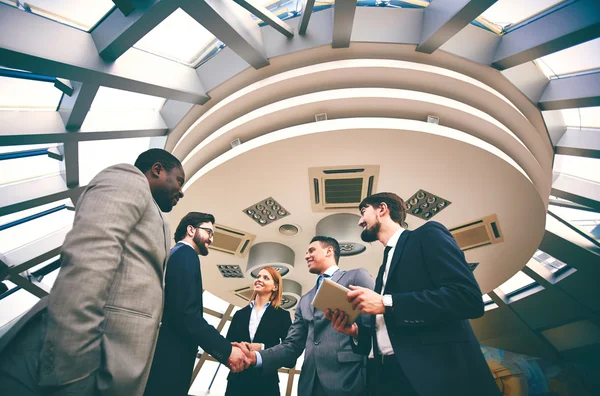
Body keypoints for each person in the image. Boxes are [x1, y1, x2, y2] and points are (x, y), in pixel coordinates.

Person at [0, 148, 185, 396]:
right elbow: (89, 261)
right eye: (179, 180)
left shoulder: (156, 215)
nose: (181, 191)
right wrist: (71, 374)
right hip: (58, 374)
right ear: (157, 169)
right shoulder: (127, 178)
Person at [327, 192, 501, 396]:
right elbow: (387, 331)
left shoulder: (427, 234)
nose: (360, 221)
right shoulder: (383, 269)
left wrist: (387, 303)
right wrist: (356, 332)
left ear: (382, 209)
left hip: (435, 377)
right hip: (386, 377)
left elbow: (467, 298)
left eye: (363, 212)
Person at [241, 236, 374, 396]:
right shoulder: (305, 300)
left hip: (350, 381)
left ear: (329, 251)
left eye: (311, 250)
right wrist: (256, 357)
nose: (306, 256)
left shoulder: (355, 277)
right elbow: (291, 346)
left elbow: (377, 325)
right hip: (310, 385)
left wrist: (357, 334)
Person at [144, 212, 250, 396]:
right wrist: (226, 351)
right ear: (191, 230)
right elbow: (188, 316)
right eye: (209, 232)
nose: (211, 239)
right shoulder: (186, 255)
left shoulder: (174, 254)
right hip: (171, 359)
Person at [225, 266, 292, 396]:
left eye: (266, 278)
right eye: (258, 277)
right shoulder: (239, 314)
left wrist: (262, 347)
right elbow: (227, 346)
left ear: (275, 287)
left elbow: (289, 358)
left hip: (266, 385)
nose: (259, 280)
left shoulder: (282, 316)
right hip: (236, 383)